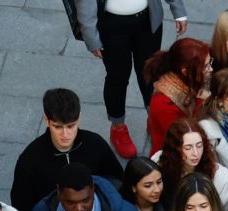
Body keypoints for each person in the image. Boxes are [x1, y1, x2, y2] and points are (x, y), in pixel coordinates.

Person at [78, 0, 191, 159]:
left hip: (147, 21)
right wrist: (90, 35)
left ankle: (154, 116)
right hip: (111, 25)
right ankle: (118, 127)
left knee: (152, 73)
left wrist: (178, 11)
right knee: (117, 77)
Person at [11, 89, 127, 211]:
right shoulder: (30, 161)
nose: (65, 135)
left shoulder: (96, 145)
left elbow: (117, 181)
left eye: (71, 126)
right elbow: (22, 208)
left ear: (79, 117)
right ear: (46, 120)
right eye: (58, 127)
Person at [142, 37, 211, 155]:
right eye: (205, 66)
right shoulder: (164, 104)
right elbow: (182, 139)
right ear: (185, 72)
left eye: (210, 63)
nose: (210, 69)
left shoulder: (190, 80)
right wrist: (201, 101)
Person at [157, 114, 228, 211]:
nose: (196, 153)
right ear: (175, 149)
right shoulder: (161, 166)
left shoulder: (222, 180)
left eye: (199, 145)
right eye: (188, 148)